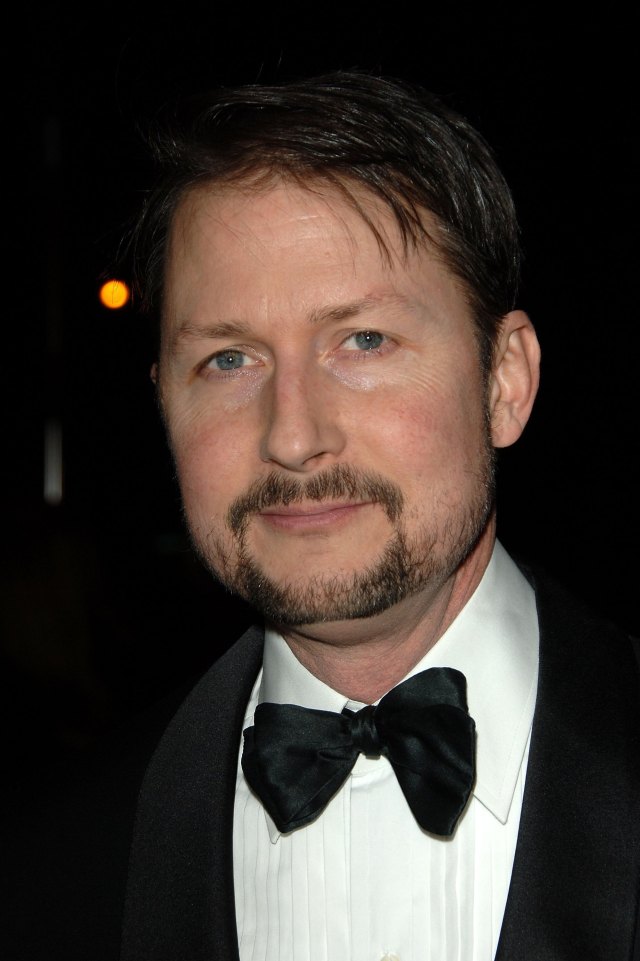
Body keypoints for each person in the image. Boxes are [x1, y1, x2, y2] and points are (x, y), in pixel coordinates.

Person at [4, 71, 640, 961]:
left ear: (505, 381)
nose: (294, 437)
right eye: (229, 359)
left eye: (363, 341)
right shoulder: (49, 872)